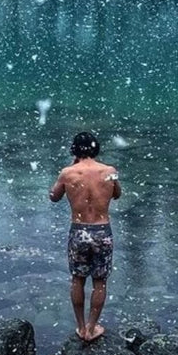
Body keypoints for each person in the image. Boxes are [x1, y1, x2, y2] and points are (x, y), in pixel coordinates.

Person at [49, 131, 121, 342]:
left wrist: (70, 173)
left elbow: (54, 197)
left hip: (79, 230)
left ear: (75, 150)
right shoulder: (109, 171)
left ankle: (80, 327)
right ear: (95, 148)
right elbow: (117, 194)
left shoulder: (67, 173)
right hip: (102, 230)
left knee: (77, 279)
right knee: (100, 282)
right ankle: (92, 327)